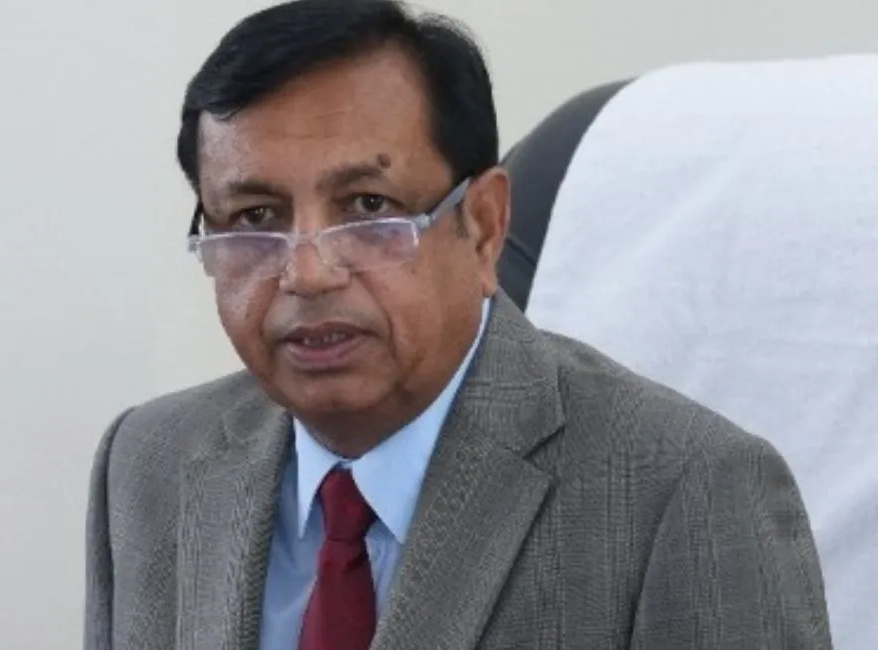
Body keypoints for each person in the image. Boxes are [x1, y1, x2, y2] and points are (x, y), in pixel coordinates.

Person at [83, 1, 832, 648]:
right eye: (255, 217)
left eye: (369, 207)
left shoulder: (688, 491)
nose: (307, 274)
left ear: (484, 226)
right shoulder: (148, 463)